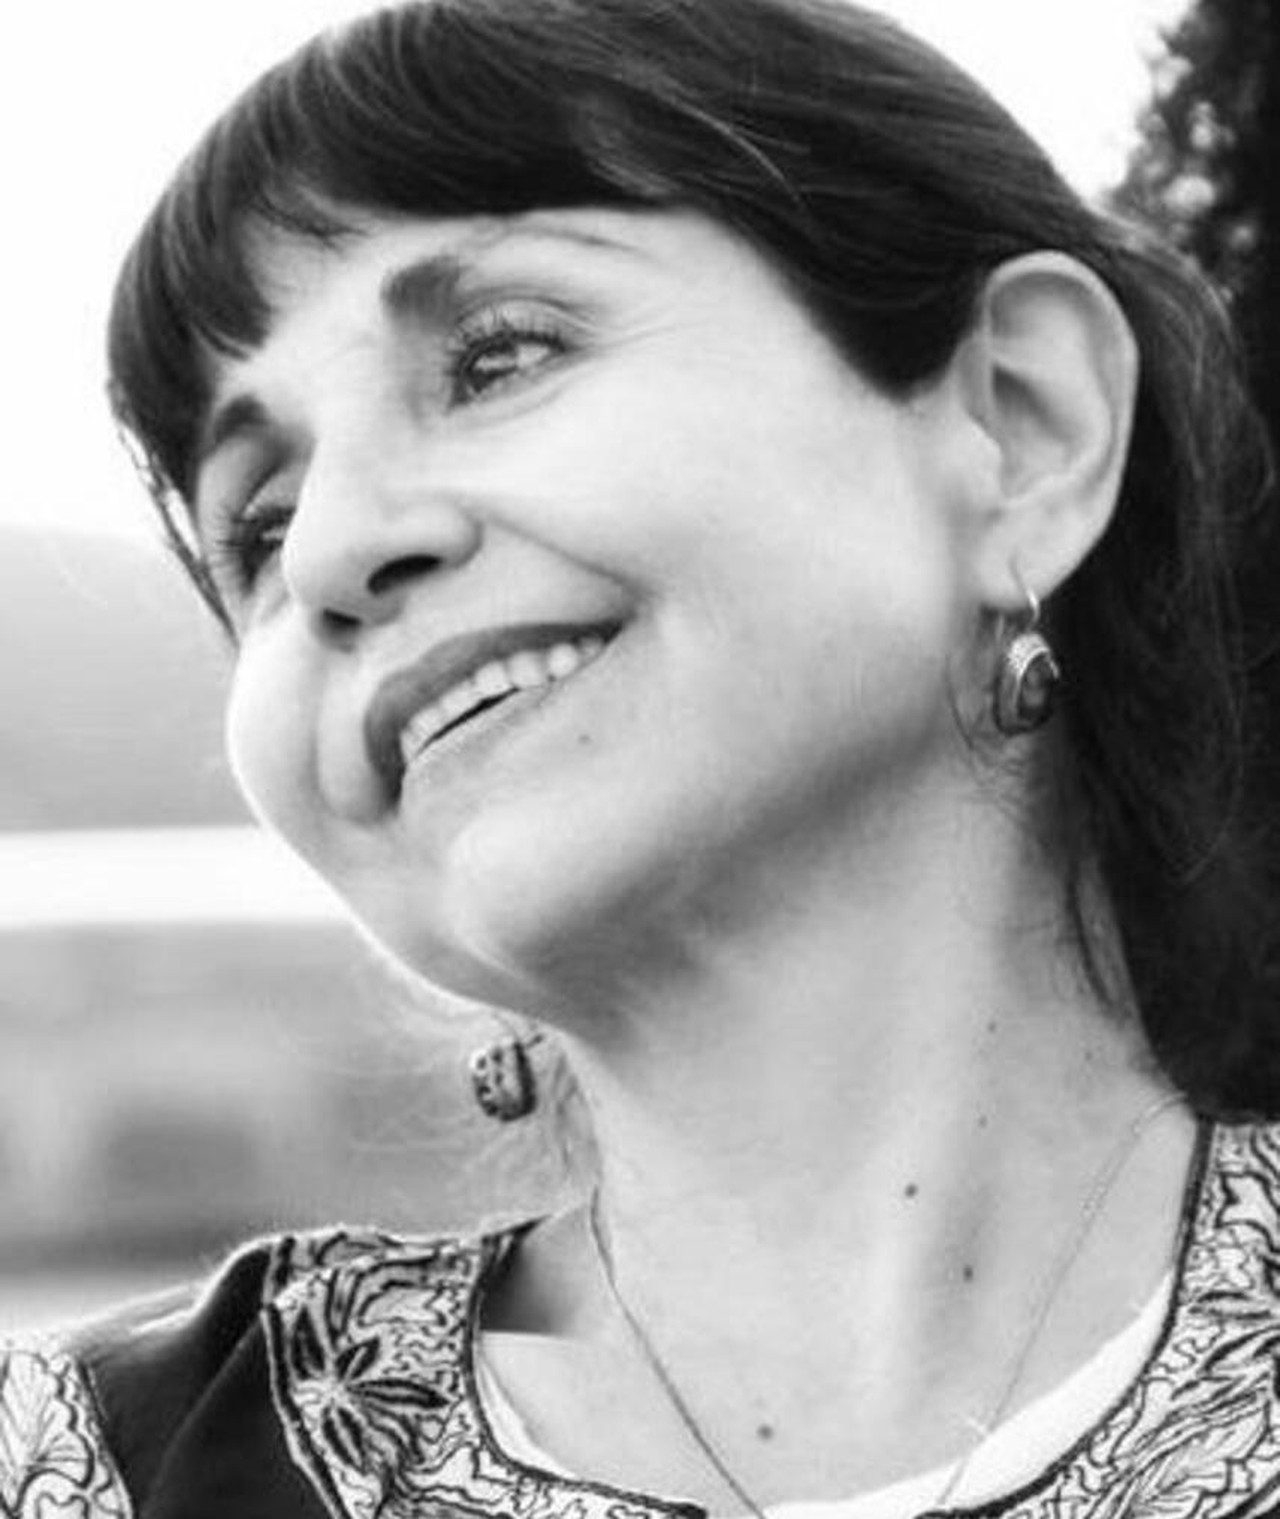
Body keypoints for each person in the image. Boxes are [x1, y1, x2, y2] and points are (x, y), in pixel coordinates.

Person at [4, 0, 1280, 1512]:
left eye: (498, 357)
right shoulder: (86, 1469)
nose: (334, 546)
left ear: (1021, 424)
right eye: (257, 527)